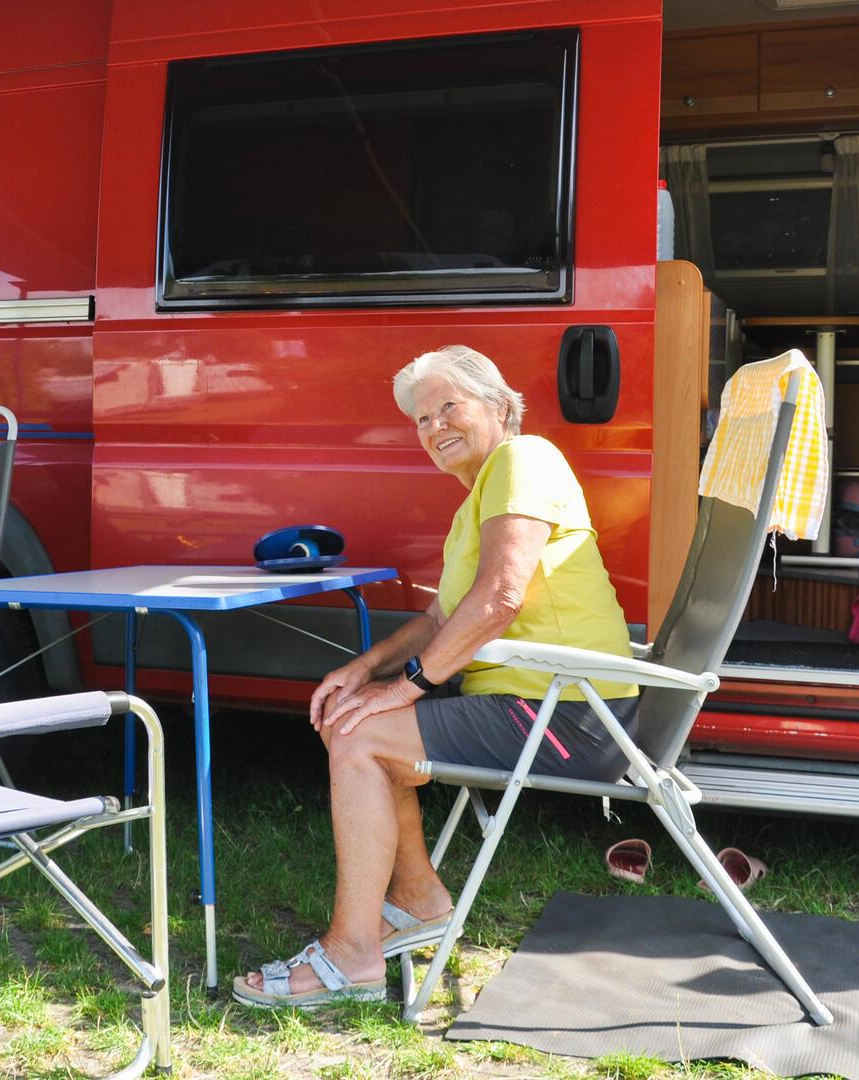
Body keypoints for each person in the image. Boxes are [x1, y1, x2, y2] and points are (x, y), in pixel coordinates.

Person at [233, 344, 640, 1009]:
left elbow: (500, 597)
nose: (433, 428)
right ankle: (418, 900)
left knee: (364, 737)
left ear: (499, 405)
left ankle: (354, 953)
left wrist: (407, 688)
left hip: (570, 716)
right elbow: (440, 618)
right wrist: (362, 670)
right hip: (539, 702)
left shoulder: (523, 459)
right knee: (354, 719)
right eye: (421, 420)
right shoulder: (479, 499)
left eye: (448, 406)